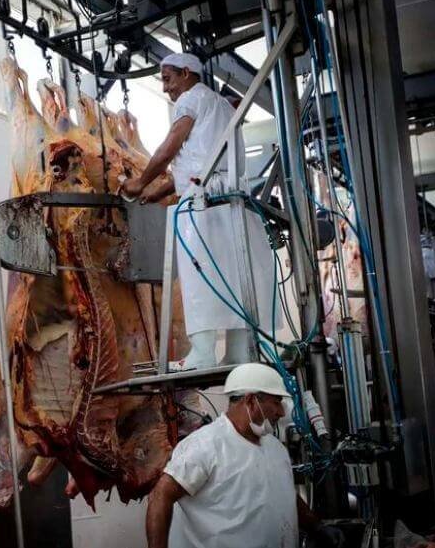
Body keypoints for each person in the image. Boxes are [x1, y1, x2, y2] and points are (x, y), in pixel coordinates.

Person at [122, 52, 277, 369]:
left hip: (202, 203)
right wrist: (159, 191)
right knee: (233, 275)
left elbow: (170, 147)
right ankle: (238, 351)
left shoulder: (189, 100)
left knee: (199, 273)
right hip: (230, 198)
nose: (166, 88)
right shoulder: (221, 105)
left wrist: (139, 182)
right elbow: (201, 162)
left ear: (186, 73)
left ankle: (203, 353)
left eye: (168, 79)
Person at [145, 363, 345, 548]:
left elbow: (284, 494)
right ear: (251, 400)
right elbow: (161, 496)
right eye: (276, 402)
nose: (281, 412)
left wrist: (317, 527)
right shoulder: (206, 445)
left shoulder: (275, 447)